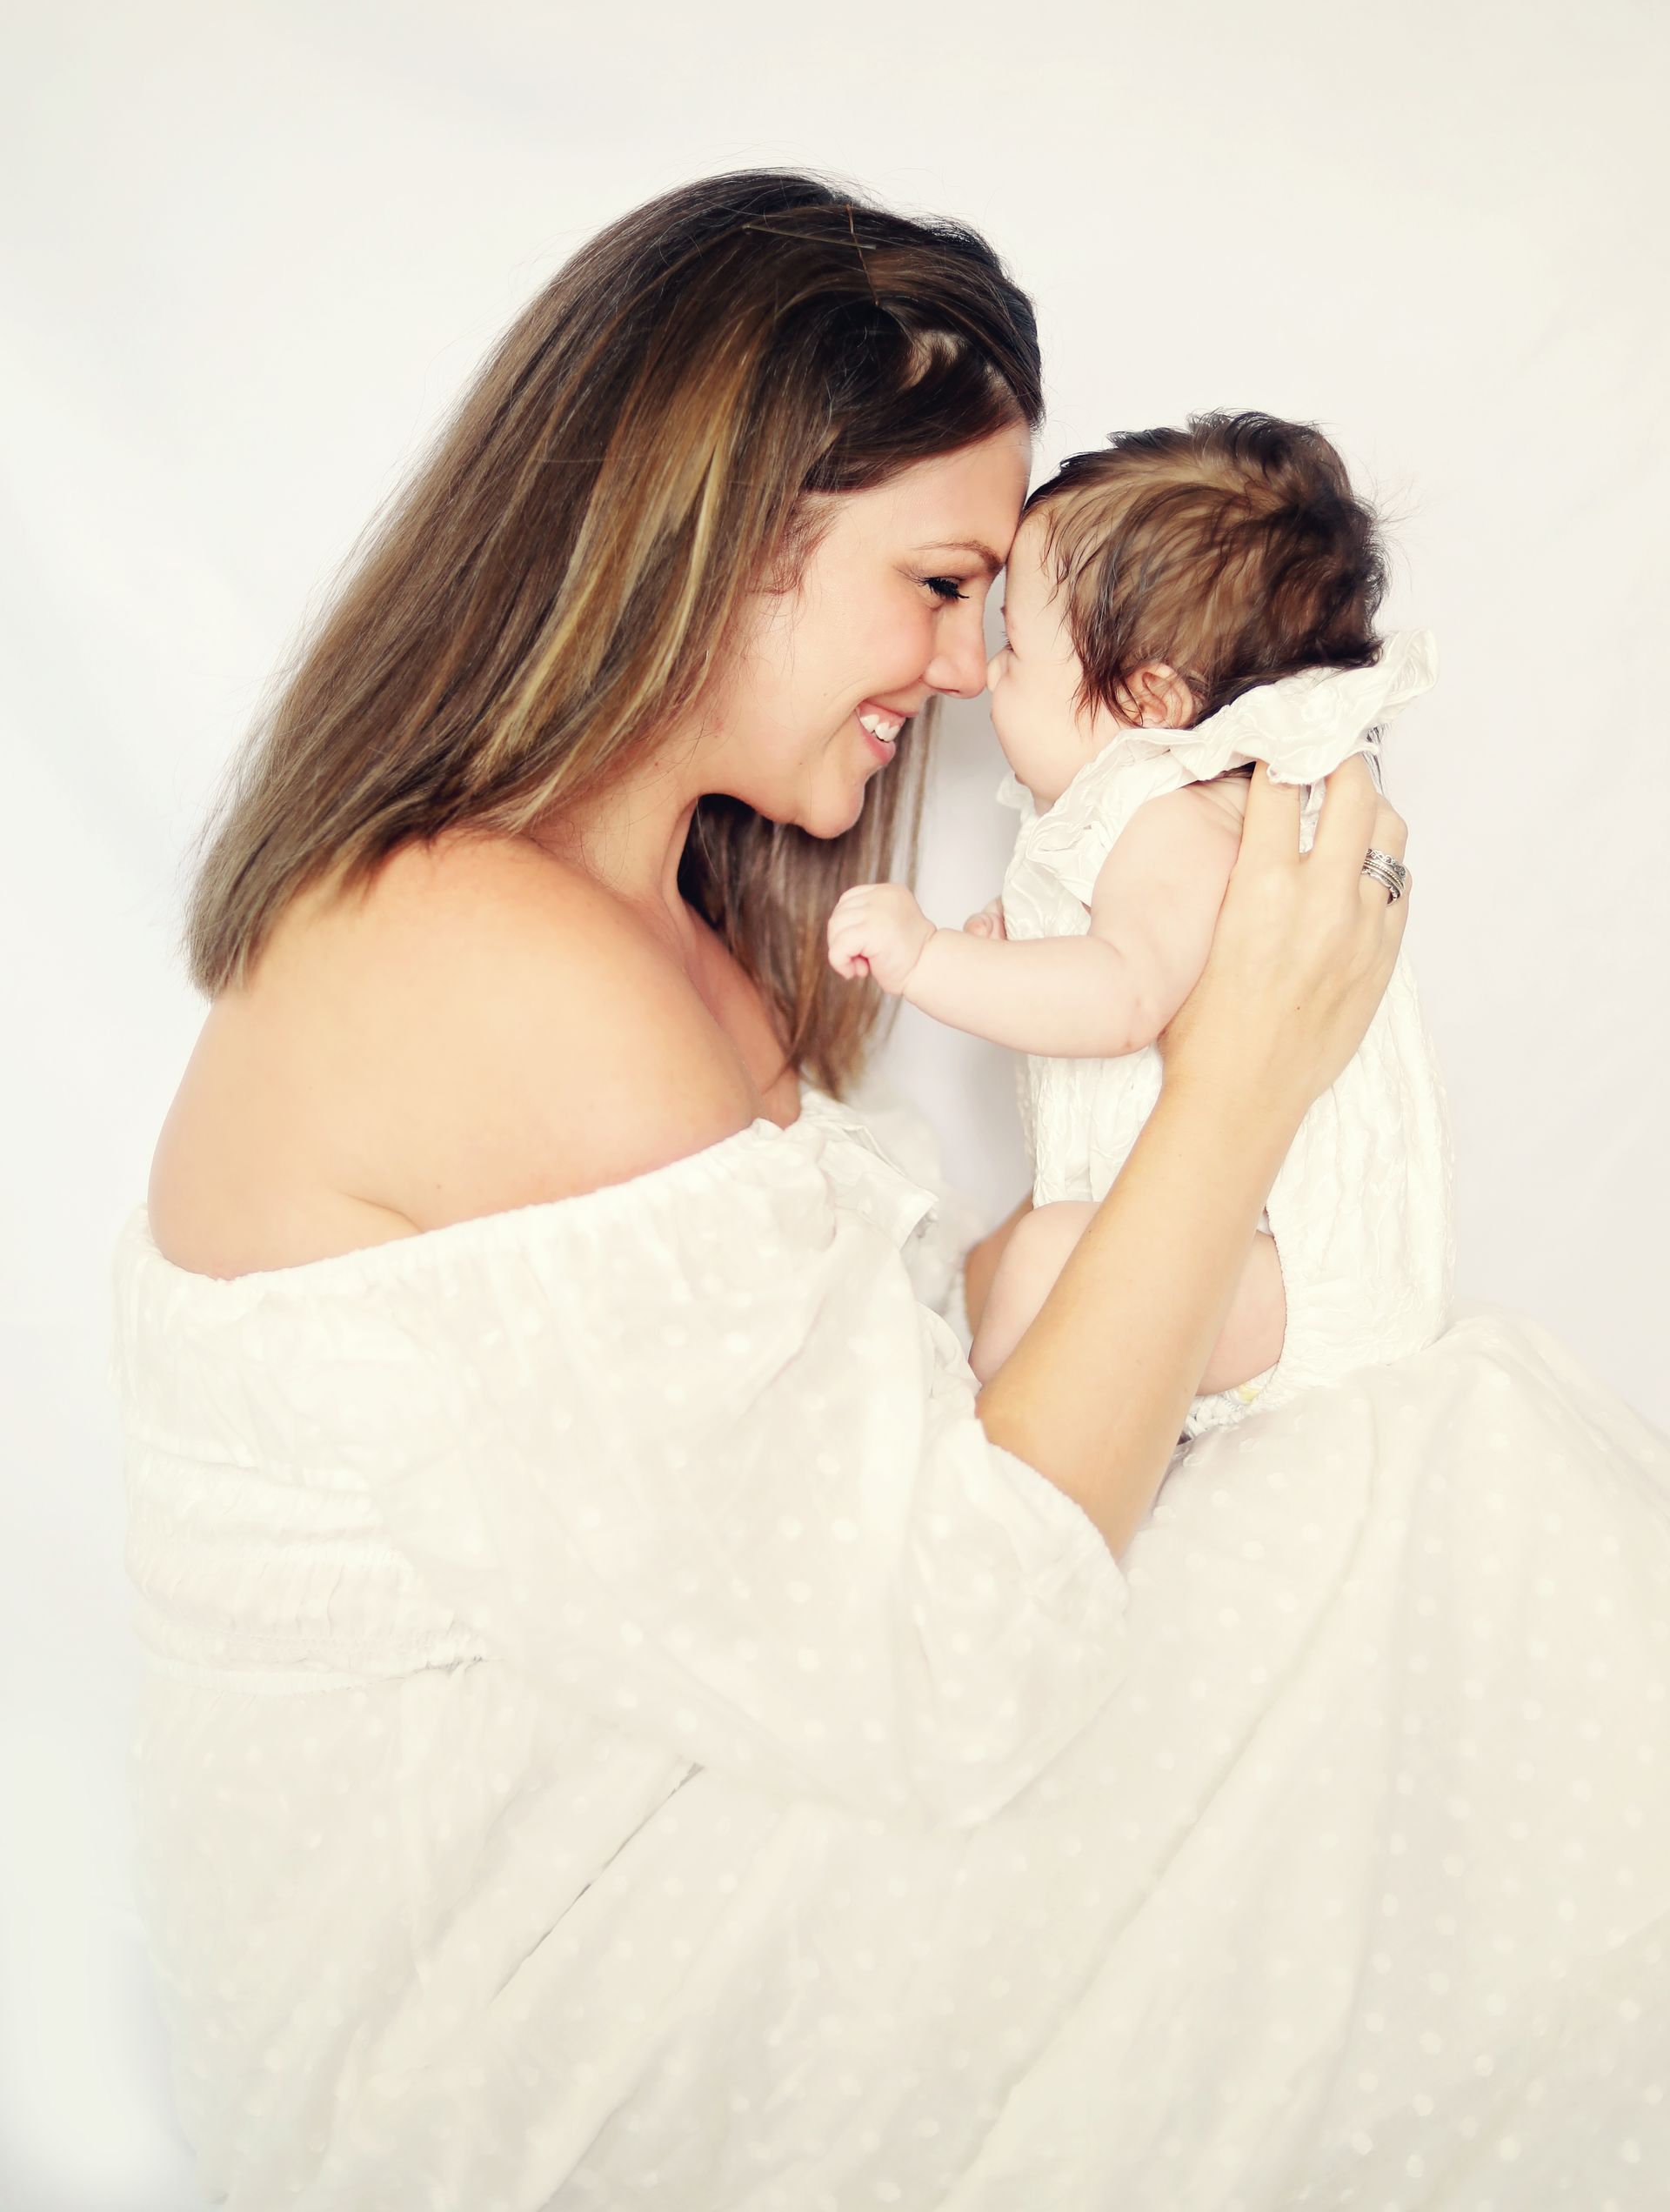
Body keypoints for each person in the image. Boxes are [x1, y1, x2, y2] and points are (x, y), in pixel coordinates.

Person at [111, 171, 1670, 2209]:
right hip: (493, 2065)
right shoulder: (485, 960)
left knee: (1424, 1496)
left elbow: (791, 1470)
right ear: (730, 542)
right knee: (1450, 1542)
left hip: (671, 1818)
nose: (962, 668)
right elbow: (953, 1665)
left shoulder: (639, 919)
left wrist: (1064, 1269)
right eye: (938, 585)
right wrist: (1238, 1072)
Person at [826, 414, 1453, 1443]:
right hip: (1279, 1269)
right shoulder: (1207, 811)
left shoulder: (1169, 817)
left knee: (1040, 1260)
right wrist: (1021, 957)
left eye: (1018, 650)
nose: (986, 678)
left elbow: (1120, 1000)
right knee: (1039, 1252)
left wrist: (932, 958)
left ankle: (967, 1463)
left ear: (1151, 699)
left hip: (1300, 1287)